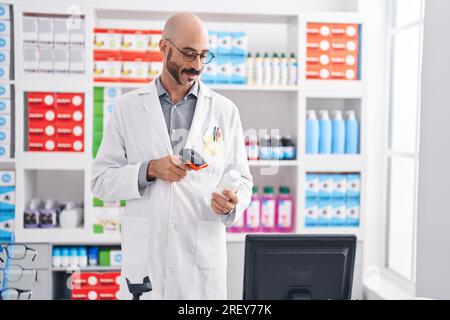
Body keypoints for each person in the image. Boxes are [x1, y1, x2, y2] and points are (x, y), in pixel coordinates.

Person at [91, 12, 253, 299]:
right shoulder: (128, 108)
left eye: (204, 55)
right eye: (189, 54)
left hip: (200, 265)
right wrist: (150, 170)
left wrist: (231, 204)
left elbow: (242, 180)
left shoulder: (224, 111)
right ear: (164, 48)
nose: (197, 65)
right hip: (146, 265)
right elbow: (101, 181)